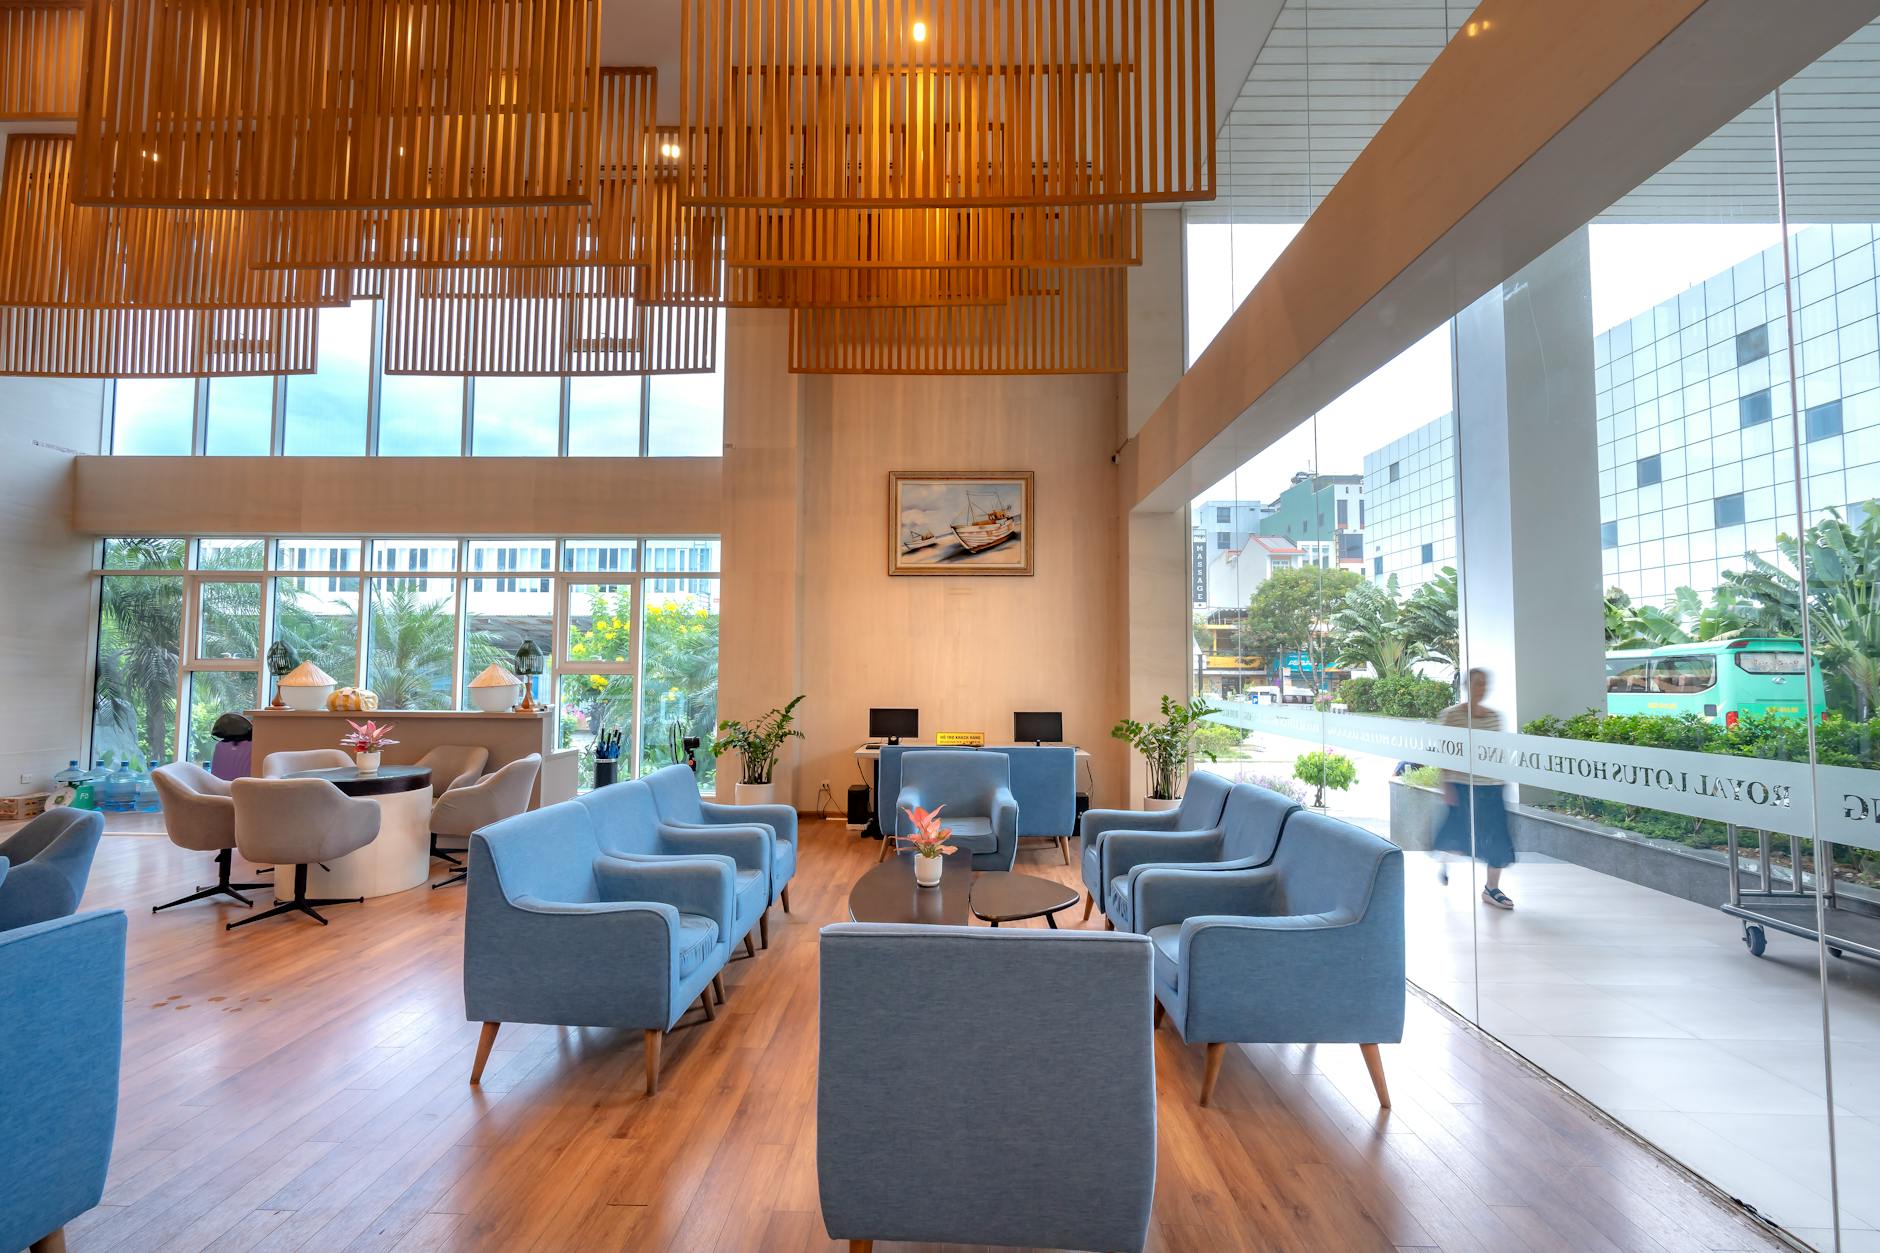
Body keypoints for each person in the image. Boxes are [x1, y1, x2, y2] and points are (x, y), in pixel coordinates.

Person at [1431, 668, 1516, 910]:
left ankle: (1492, 888)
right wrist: (1446, 784)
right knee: (1457, 836)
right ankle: (1445, 862)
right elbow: (1445, 752)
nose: (1481, 688)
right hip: (1462, 785)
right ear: (1468, 686)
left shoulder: (1494, 717)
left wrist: (1504, 780)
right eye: (1477, 684)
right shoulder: (1452, 716)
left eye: (1484, 684)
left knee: (1498, 837)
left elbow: (1498, 750)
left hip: (1491, 785)